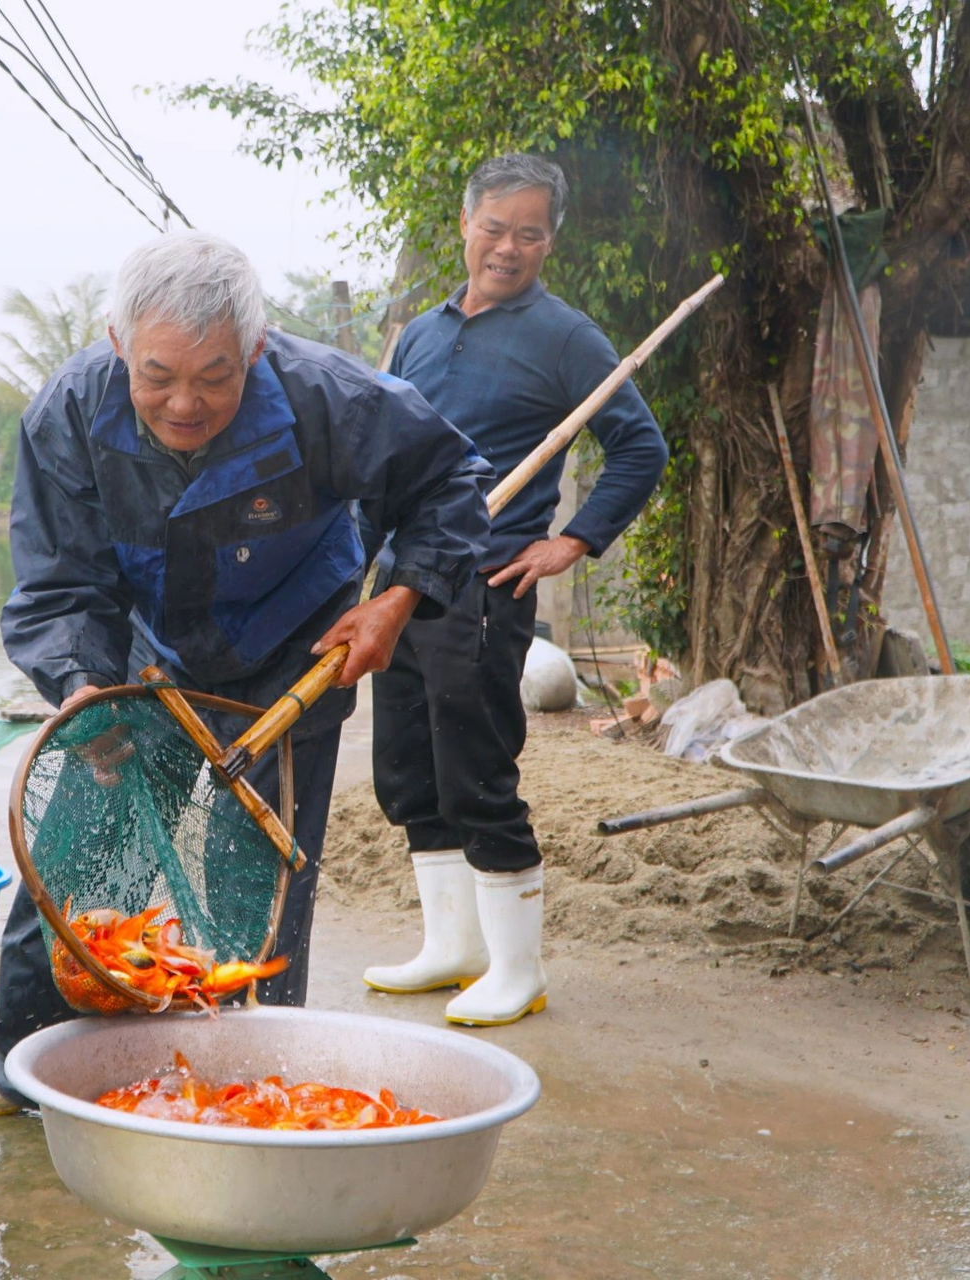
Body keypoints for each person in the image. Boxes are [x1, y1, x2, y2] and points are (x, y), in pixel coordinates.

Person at [0, 230, 495, 1110]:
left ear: (254, 351)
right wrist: (82, 688)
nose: (185, 402)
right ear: (117, 346)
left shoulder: (328, 397)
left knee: (258, 880)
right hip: (141, 664)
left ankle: (244, 1083)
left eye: (215, 377)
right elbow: (61, 583)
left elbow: (450, 483)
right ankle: (27, 1070)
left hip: (295, 651)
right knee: (76, 855)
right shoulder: (66, 413)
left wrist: (396, 600)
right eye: (158, 375)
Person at [364, 153, 670, 1026]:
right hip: (403, 588)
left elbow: (638, 447)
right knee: (409, 775)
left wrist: (569, 540)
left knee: (476, 774)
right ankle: (452, 949)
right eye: (493, 228)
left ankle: (518, 969)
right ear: (464, 226)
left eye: (528, 234)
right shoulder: (419, 334)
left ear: (550, 241)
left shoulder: (566, 338)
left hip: (484, 586)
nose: (507, 248)